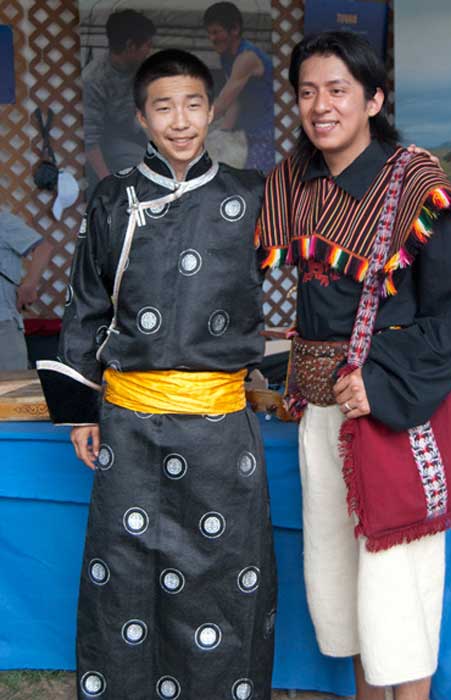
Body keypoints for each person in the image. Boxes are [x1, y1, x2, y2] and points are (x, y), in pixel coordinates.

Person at [258, 32, 451, 700]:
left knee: (397, 588)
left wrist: (381, 376)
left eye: (337, 90)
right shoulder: (293, 185)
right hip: (320, 416)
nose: (320, 106)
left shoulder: (415, 183)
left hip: (392, 410)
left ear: (374, 98)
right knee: (343, 582)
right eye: (307, 92)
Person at [38, 49, 276, 700]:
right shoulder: (112, 200)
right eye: (163, 106)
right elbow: (86, 304)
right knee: (127, 575)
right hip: (130, 427)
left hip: (222, 428)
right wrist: (82, 410)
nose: (180, 120)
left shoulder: (249, 197)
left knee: (224, 577)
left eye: (193, 104)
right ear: (142, 118)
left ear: (211, 109)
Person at [82, 9, 155, 184]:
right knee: (151, 171)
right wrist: (106, 181)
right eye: (147, 45)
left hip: (139, 132)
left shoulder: (140, 67)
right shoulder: (94, 80)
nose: (149, 50)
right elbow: (90, 140)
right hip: (110, 142)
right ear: (131, 46)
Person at [204, 2, 275, 172]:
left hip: (269, 132)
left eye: (216, 32)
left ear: (234, 29)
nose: (211, 39)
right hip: (250, 132)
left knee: (255, 185)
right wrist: (223, 132)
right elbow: (234, 102)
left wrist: (193, 124)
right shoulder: (227, 56)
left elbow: (223, 102)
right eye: (209, 33)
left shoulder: (247, 57)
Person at [0, 209, 53, 371]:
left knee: (14, 388)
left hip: (3, 325)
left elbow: (43, 248)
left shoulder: (3, 221)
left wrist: (29, 285)